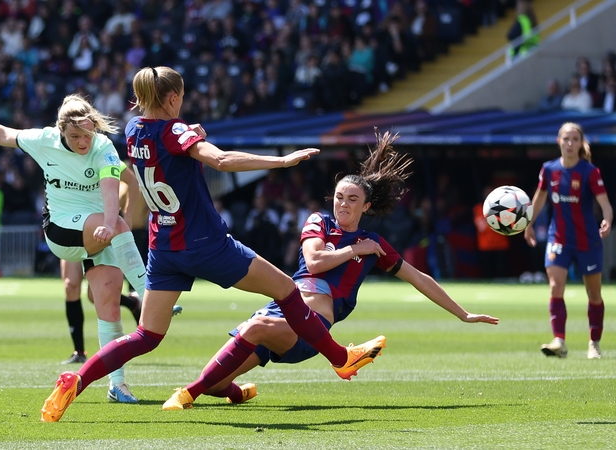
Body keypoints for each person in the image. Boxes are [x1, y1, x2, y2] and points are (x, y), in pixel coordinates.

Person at [39, 66, 386, 422]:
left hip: (164, 248)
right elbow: (218, 159)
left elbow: (170, 154)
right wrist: (279, 160)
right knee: (286, 289)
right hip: (206, 244)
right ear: (174, 98)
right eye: (182, 96)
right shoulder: (175, 130)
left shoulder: (133, 130)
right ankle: (341, 359)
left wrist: (191, 137)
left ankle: (76, 380)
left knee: (146, 334)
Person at [167, 130, 499, 409]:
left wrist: (462, 313)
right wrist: (355, 249)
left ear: (366, 206)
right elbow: (314, 262)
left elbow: (417, 277)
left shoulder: (374, 242)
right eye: (339, 197)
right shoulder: (319, 223)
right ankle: (238, 391)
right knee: (217, 382)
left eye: (352, 199)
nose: (343, 204)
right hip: (279, 310)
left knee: (253, 329)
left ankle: (185, 394)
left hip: (311, 327)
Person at [0, 94, 148, 403]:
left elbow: (113, 188)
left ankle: (117, 385)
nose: (82, 141)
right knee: (111, 235)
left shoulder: (103, 146)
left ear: (94, 126)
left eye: (86, 134)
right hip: (61, 229)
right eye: (75, 135)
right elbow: (2, 134)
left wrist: (113, 221)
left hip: (98, 230)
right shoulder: (44, 139)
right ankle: (148, 292)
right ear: (61, 130)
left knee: (107, 305)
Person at [60, 161, 182, 366]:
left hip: (98, 228)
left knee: (95, 295)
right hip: (68, 225)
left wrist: (127, 216)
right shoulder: (58, 154)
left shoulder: (103, 156)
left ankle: (143, 302)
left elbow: (130, 185)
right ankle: (79, 351)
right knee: (70, 285)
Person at [524, 122, 613, 360]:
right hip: (559, 238)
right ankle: (559, 341)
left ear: (580, 143)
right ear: (559, 142)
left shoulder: (589, 172)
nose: (570, 143)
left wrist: (607, 219)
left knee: (594, 293)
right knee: (555, 287)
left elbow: (605, 203)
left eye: (575, 139)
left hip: (587, 240)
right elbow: (540, 197)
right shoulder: (549, 169)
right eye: (566, 139)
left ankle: (594, 343)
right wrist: (529, 223)